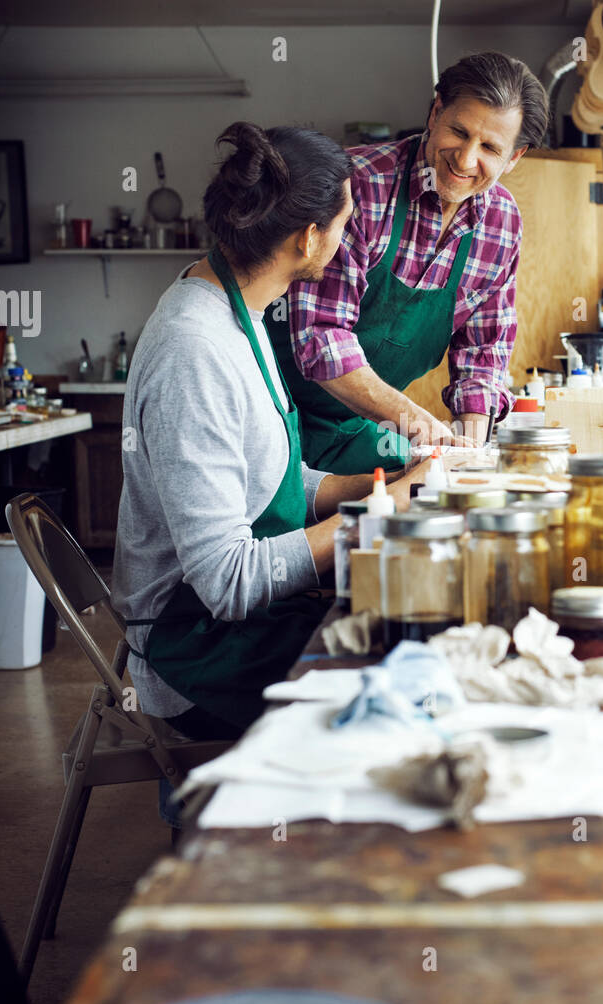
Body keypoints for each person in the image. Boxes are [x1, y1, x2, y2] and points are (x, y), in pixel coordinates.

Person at [112, 122, 428, 741]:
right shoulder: (194, 351)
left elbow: (270, 481)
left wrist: (381, 487)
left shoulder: (240, 310)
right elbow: (228, 582)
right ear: (310, 238)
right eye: (346, 224)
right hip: (194, 649)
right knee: (400, 683)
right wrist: (375, 520)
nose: (350, 238)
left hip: (237, 624)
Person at [266, 51, 549, 473]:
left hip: (359, 430)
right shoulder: (357, 185)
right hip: (272, 415)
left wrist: (468, 456)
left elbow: (482, 354)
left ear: (515, 157)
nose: (466, 159)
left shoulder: (502, 224)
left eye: (490, 147)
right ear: (435, 113)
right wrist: (418, 422)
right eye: (459, 131)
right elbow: (321, 337)